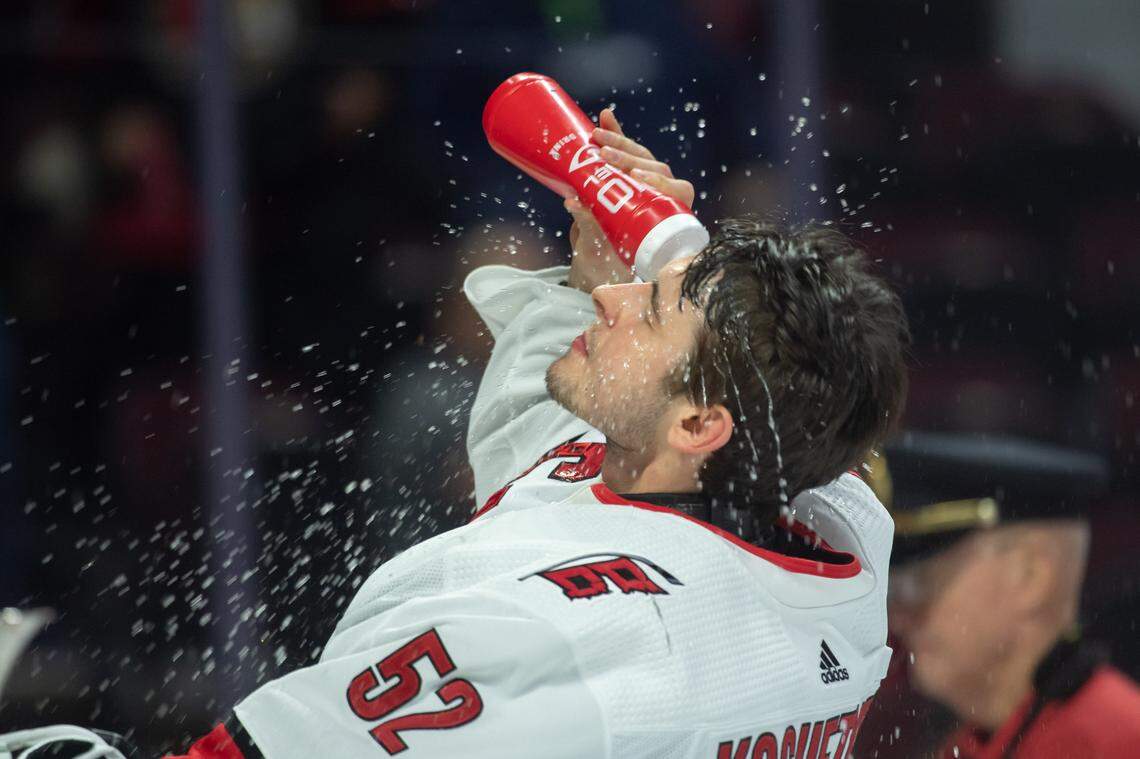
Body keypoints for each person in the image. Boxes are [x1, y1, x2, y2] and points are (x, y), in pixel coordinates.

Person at [1, 110, 908, 759]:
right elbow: (539, 462)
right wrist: (664, 257)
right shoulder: (834, 522)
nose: (611, 293)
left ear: (701, 424)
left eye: (651, 305)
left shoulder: (532, 628)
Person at [873, 431, 1140, 759]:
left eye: (922, 583)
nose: (898, 615)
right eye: (897, 589)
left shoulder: (1118, 744)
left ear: (1031, 576)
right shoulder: (976, 741)